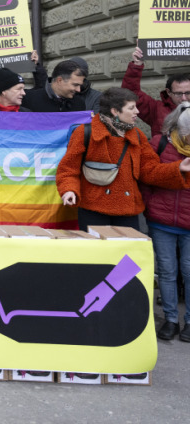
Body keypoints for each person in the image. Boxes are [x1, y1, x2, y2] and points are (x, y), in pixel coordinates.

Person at [56, 88, 190, 231]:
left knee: (128, 247)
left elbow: (149, 170)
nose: (137, 111)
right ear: (115, 111)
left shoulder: (137, 135)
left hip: (127, 211)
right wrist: (69, 190)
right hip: (93, 209)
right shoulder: (85, 132)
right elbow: (68, 169)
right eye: (131, 108)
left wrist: (178, 168)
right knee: (97, 246)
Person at [142, 103, 190, 341]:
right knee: (167, 272)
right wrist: (177, 168)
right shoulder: (159, 143)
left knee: (189, 271)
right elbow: (147, 174)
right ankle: (171, 319)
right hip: (162, 220)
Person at [123, 46, 190, 136]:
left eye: (188, 93)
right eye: (178, 94)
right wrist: (137, 65)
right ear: (169, 92)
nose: (184, 98)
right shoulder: (156, 109)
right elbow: (130, 93)